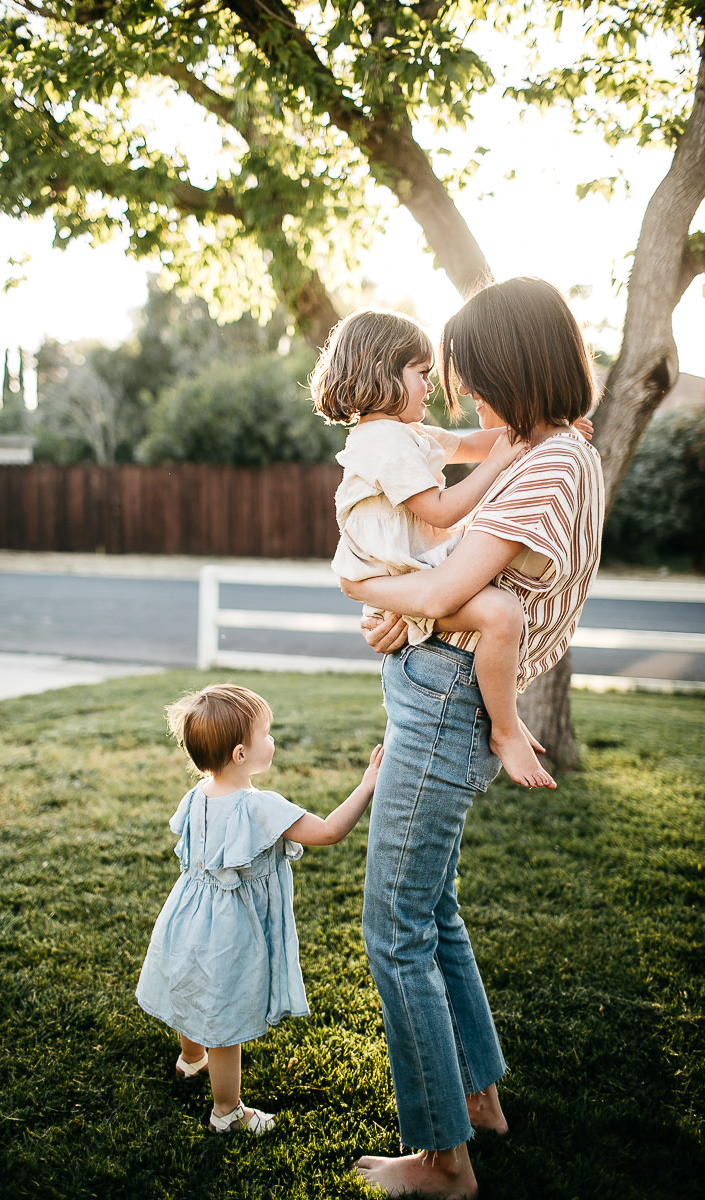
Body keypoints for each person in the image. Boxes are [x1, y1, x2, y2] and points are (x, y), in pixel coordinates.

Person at [339, 278, 605, 1198]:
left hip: (450, 700)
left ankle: (444, 1162)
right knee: (433, 910)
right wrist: (413, 607)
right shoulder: (542, 448)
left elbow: (450, 587)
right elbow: (446, 584)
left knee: (394, 929)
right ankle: (480, 1101)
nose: (459, 396)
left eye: (470, 375)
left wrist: (374, 595)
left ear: (510, 365)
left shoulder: (551, 464)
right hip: (446, 683)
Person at [312, 307, 580, 789]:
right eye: (421, 374)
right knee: (500, 614)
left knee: (500, 614)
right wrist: (498, 463)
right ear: (383, 372)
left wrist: (547, 431)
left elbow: (472, 443)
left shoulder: (407, 435)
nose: (432, 387)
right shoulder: (382, 444)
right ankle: (504, 728)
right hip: (395, 575)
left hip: (409, 574)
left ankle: (504, 720)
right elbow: (439, 510)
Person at [135, 683, 383, 1136]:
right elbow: (328, 831)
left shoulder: (195, 798)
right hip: (232, 930)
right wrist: (367, 784)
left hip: (187, 918)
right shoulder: (261, 806)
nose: (273, 740)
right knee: (225, 1020)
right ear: (239, 755)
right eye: (265, 733)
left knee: (191, 988)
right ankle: (227, 1113)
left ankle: (191, 1060)